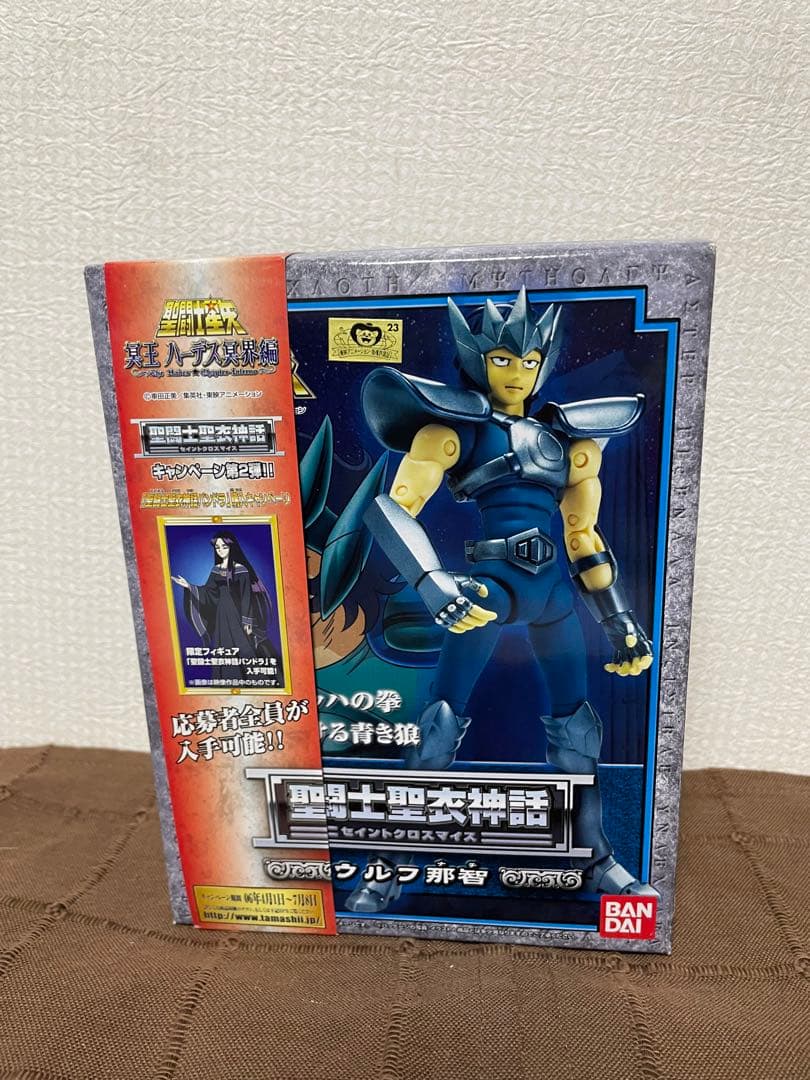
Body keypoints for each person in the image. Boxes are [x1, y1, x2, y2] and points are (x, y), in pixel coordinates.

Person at [357, 286, 655, 905]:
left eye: (529, 360)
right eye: (501, 359)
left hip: (553, 597)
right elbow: (393, 507)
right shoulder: (453, 430)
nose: (517, 372)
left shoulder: (570, 441)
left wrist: (621, 620)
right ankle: (387, 865)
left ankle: (594, 858)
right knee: (439, 724)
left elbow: (583, 537)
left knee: (579, 731)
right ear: (477, 360)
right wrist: (430, 579)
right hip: (486, 593)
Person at [171, 532, 281, 686]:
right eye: (217, 547)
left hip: (238, 614)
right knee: (224, 648)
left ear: (231, 547)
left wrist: (247, 621)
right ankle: (228, 682)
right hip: (221, 616)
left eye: (224, 546)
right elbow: (208, 592)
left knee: (244, 647)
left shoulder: (241, 569)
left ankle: (254, 683)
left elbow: (246, 596)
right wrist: (189, 586)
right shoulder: (216, 569)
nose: (220, 550)